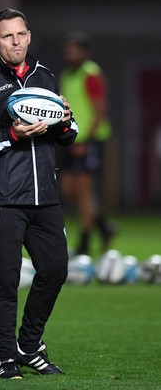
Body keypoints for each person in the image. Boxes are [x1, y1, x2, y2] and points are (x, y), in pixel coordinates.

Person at [0, 8, 78, 380]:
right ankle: (6, 357)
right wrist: (11, 135)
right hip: (1, 198)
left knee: (55, 271)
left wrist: (65, 122)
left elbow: (67, 134)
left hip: (44, 196)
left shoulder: (44, 77)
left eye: (21, 34)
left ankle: (29, 345)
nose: (17, 42)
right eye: (8, 37)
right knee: (6, 280)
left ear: (29, 35)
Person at [59, 31, 116, 256]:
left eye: (74, 50)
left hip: (89, 141)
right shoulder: (67, 74)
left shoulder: (90, 74)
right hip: (71, 139)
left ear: (85, 52)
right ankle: (103, 226)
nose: (70, 54)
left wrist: (88, 140)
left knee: (83, 191)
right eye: (68, 50)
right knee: (68, 190)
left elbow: (100, 111)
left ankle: (84, 242)